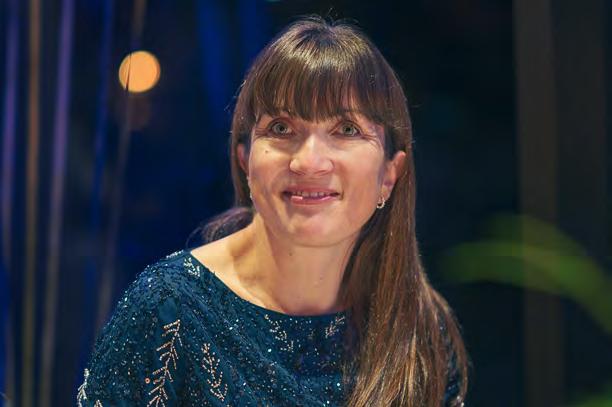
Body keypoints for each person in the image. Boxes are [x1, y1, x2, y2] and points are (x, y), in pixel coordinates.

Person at [77, 16, 468, 407]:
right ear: (245, 161)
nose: (309, 162)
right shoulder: (168, 311)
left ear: (389, 175)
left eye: (346, 129)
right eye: (281, 128)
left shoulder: (420, 329)